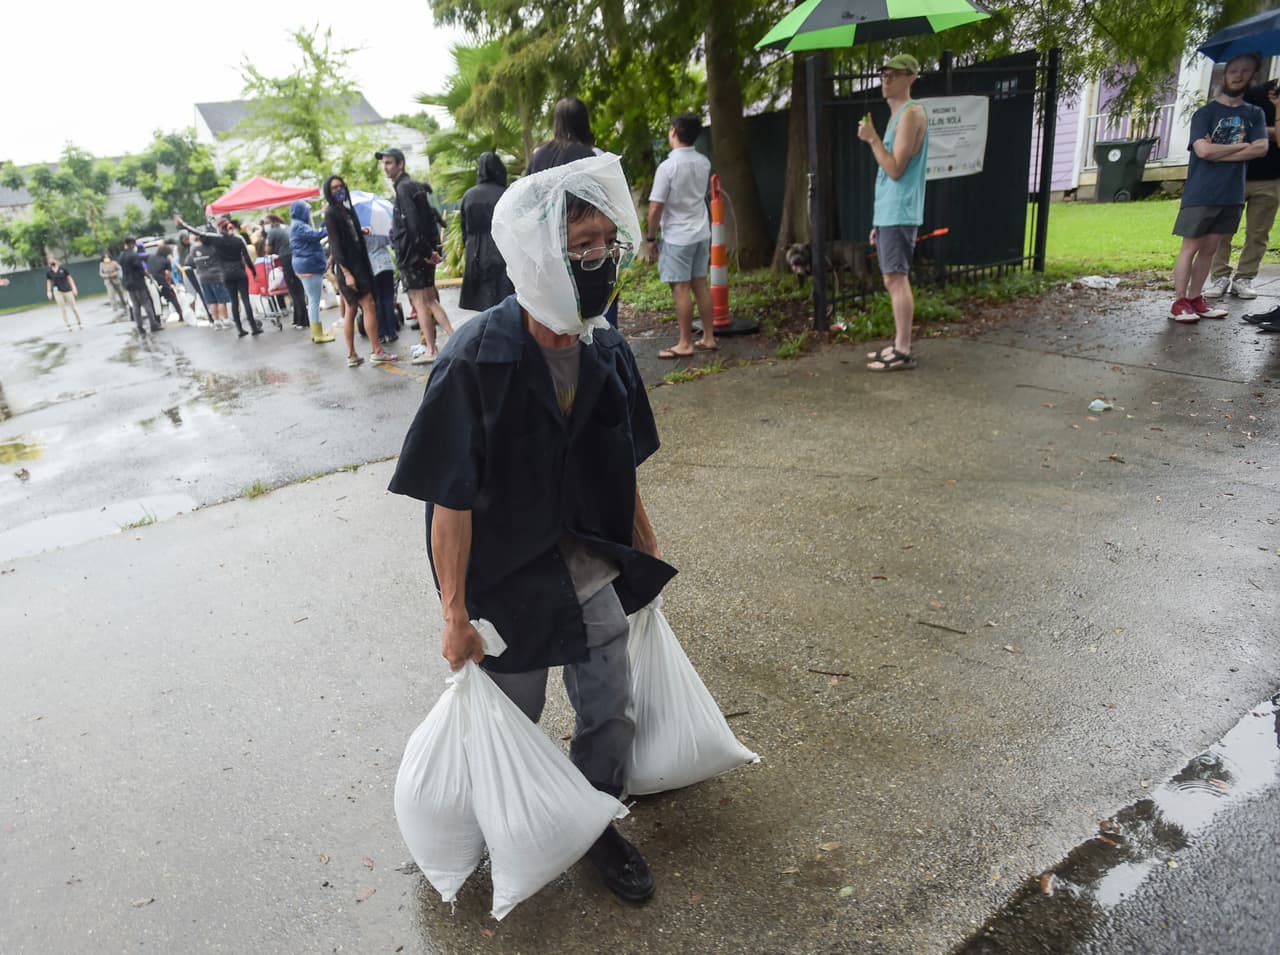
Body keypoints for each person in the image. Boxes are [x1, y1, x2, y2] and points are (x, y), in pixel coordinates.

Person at [388, 153, 670, 905]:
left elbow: (621, 454)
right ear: (541, 252)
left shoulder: (605, 348)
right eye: (582, 246)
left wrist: (642, 536)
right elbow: (448, 498)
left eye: (608, 243)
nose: (599, 261)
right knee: (514, 711)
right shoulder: (475, 360)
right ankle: (503, 814)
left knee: (611, 702)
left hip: (585, 557)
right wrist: (453, 615)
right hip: (507, 574)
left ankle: (595, 819)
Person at [1169, 53, 1269, 322]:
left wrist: (1220, 150)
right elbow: (1203, 151)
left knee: (1211, 249)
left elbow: (1261, 149)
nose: (1238, 75)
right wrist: (1241, 146)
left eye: (1245, 71)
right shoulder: (1205, 113)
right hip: (1202, 191)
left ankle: (1195, 298)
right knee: (1190, 247)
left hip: (1231, 192)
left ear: (1252, 76)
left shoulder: (1254, 114)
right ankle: (1179, 302)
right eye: (1233, 70)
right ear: (1224, 75)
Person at [856, 53, 929, 369]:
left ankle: (902, 350)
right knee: (892, 278)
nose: (886, 79)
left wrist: (872, 140)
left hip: (899, 210)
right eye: (884, 73)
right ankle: (899, 345)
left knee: (896, 279)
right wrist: (878, 221)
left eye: (894, 74)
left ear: (911, 77)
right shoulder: (899, 114)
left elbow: (896, 169)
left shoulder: (911, 114)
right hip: (890, 212)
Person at [644, 113, 716, 358]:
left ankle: (685, 343)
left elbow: (655, 207)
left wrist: (651, 238)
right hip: (701, 231)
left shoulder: (668, 167)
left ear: (674, 131)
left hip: (677, 236)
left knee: (681, 288)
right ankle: (708, 337)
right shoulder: (704, 162)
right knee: (700, 284)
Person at [1205, 77, 1280, 301]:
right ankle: (1219, 276)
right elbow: (1234, 129)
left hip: (1272, 177)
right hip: (1236, 174)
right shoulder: (1252, 94)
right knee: (1222, 230)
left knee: (1258, 233)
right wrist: (1264, 134)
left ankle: (1244, 278)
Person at [378, 146, 454, 364]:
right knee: (430, 301)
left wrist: (425, 252)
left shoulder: (404, 188)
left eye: (390, 162)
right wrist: (431, 250)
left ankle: (431, 348)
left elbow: (412, 224)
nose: (386, 167)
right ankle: (454, 338)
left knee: (421, 303)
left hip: (414, 256)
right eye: (384, 163)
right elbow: (429, 217)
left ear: (401, 164)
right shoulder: (413, 186)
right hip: (422, 253)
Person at [323, 174, 394, 366]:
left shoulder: (346, 209)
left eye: (340, 186)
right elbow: (336, 246)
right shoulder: (331, 213)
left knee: (352, 310)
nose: (339, 190)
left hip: (359, 265)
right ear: (328, 193)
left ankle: (352, 355)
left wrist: (361, 231)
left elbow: (347, 233)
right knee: (369, 305)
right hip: (351, 269)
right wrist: (347, 274)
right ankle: (376, 350)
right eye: (334, 188)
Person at [173, 214, 261, 335]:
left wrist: (183, 224)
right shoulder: (238, 239)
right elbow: (246, 257)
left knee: (234, 301)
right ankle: (253, 327)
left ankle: (240, 329)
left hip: (226, 274)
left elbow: (198, 232)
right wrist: (254, 271)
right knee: (246, 300)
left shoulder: (217, 240)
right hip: (240, 272)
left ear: (220, 229)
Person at [458, 151, 516, 312]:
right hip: (503, 248)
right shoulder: (506, 193)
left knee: (483, 303)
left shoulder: (469, 196)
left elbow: (464, 228)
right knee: (506, 300)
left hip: (476, 252)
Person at [288, 199, 335, 344]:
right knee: (314, 300)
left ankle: (317, 332)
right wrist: (331, 226)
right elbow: (316, 235)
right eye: (306, 210)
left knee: (313, 299)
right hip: (309, 266)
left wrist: (324, 224)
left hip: (305, 265)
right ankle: (317, 334)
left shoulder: (298, 225)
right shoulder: (299, 226)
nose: (308, 213)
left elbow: (314, 233)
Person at [527, 97, 598, 174]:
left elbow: (526, 184)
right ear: (584, 123)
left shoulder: (538, 156)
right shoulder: (586, 156)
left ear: (557, 122)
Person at [263, 213, 308, 328]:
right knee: (299, 288)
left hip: (287, 259)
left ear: (271, 222)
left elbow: (268, 250)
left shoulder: (273, 232)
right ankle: (298, 318)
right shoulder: (287, 227)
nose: (265, 226)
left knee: (294, 290)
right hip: (298, 257)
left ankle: (303, 320)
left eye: (265, 223)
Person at [118, 237, 160, 335]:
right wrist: (148, 276)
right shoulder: (134, 255)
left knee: (136, 306)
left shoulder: (121, 256)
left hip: (128, 284)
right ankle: (153, 324)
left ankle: (140, 327)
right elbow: (140, 269)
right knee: (146, 303)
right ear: (133, 244)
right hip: (138, 282)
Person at [188, 234, 231, 329]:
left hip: (203, 277)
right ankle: (226, 320)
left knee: (211, 301)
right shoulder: (213, 248)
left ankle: (216, 321)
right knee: (221, 299)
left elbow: (190, 263)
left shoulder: (194, 250)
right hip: (216, 276)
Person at [366, 230, 400, 345]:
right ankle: (392, 333)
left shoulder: (362, 230)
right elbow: (388, 242)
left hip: (373, 266)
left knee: (378, 301)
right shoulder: (379, 226)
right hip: (386, 263)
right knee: (388, 298)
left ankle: (381, 333)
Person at [147, 244, 185, 322]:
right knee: (172, 297)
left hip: (152, 282)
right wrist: (172, 284)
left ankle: (156, 319)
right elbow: (168, 273)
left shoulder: (150, 257)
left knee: (155, 301)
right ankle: (180, 314)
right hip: (162, 281)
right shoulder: (165, 260)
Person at [45, 257, 83, 330]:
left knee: (74, 307)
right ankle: (68, 325)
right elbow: (48, 281)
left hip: (67, 290)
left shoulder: (63, 269)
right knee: (62, 309)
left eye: (52, 260)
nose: (51, 262)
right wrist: (49, 291)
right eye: (50, 261)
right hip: (57, 291)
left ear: (56, 261)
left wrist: (74, 288)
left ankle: (79, 322)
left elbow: (69, 278)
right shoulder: (49, 272)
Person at [99, 254, 128, 318]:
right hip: (108, 281)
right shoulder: (102, 264)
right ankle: (114, 306)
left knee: (120, 292)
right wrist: (106, 276)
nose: (106, 258)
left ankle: (124, 304)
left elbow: (119, 269)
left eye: (107, 257)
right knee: (111, 293)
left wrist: (115, 273)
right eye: (105, 257)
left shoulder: (114, 263)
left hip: (116, 279)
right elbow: (101, 273)